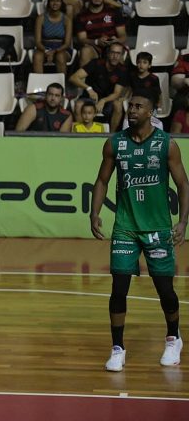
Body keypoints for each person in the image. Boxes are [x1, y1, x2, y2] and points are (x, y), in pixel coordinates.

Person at [90, 89, 188, 372]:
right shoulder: (115, 143)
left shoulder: (166, 145)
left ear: (151, 112)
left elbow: (183, 184)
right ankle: (117, 348)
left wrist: (182, 222)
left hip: (157, 228)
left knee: (165, 291)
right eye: (130, 105)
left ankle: (173, 337)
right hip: (126, 228)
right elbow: (101, 180)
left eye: (138, 106)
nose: (131, 110)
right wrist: (94, 212)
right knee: (118, 288)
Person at [69, 42, 128, 130]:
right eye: (113, 52)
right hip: (90, 98)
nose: (115, 56)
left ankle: (111, 135)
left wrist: (103, 100)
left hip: (108, 100)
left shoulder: (122, 70)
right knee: (78, 105)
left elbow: (116, 93)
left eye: (118, 53)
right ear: (108, 53)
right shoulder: (96, 63)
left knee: (118, 105)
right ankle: (82, 134)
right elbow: (73, 78)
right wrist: (89, 89)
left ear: (121, 55)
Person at [75, 0, 128, 67]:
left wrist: (116, 41)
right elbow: (82, 39)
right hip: (94, 47)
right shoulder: (81, 16)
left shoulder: (114, 12)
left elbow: (123, 36)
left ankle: (119, 75)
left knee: (116, 51)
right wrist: (96, 42)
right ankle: (82, 76)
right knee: (85, 51)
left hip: (112, 45)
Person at [32, 0, 73, 74]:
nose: (55, 3)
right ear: (49, 2)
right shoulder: (41, 18)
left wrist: (54, 51)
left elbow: (67, 43)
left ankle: (61, 82)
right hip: (44, 47)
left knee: (60, 56)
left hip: (62, 48)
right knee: (37, 57)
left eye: (58, 1)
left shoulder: (66, 20)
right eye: (52, 0)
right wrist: (46, 51)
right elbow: (38, 42)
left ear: (61, 3)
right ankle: (39, 82)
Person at [122, 51, 163, 130]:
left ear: (149, 65)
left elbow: (159, 93)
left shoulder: (154, 78)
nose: (141, 65)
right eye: (139, 62)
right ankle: (125, 131)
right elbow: (130, 89)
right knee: (128, 118)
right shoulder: (132, 76)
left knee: (148, 121)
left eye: (144, 62)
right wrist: (124, 97)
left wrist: (159, 105)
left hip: (149, 105)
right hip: (135, 104)